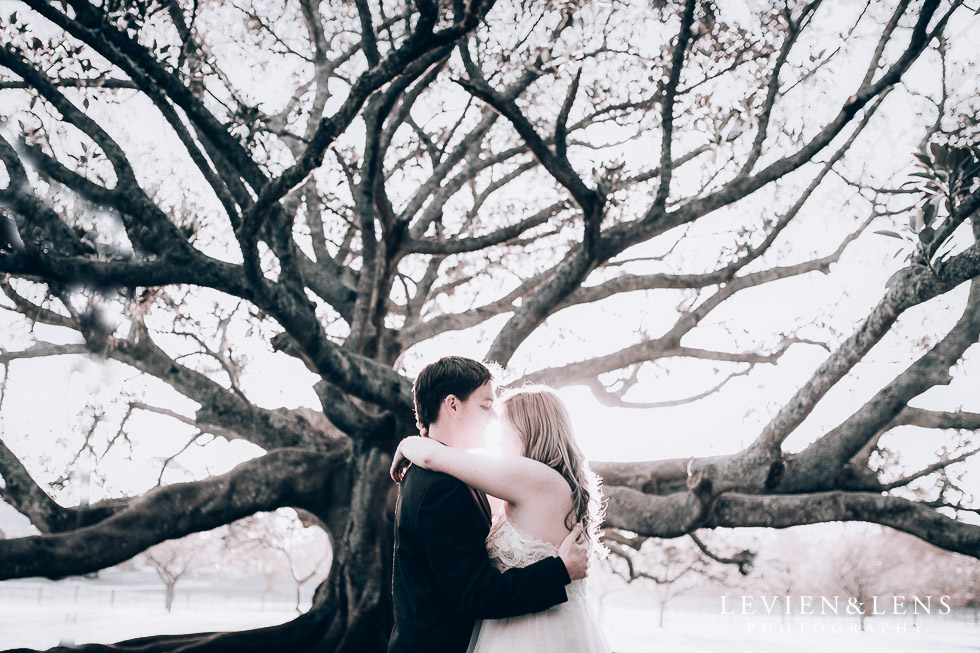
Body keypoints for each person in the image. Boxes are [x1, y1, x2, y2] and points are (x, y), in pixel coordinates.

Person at [387, 356, 590, 653]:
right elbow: (474, 594)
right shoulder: (442, 485)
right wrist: (559, 571)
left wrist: (409, 443)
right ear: (453, 405)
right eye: (485, 406)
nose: (494, 420)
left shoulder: (455, 475)